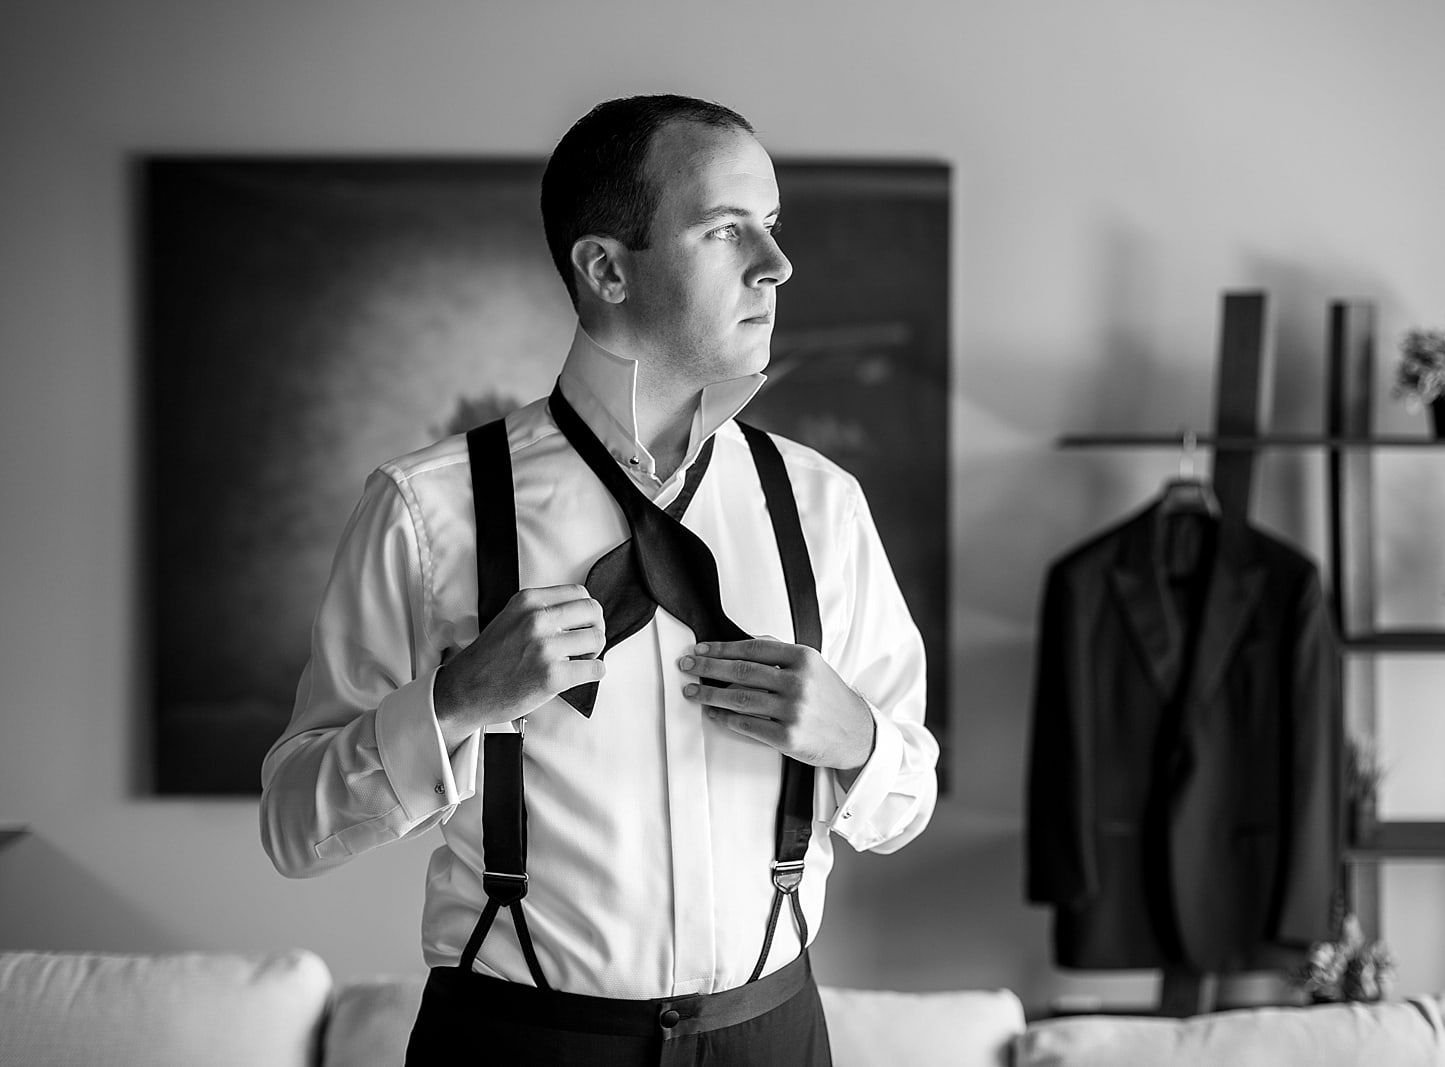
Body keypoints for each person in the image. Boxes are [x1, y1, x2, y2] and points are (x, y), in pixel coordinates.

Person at [259, 94, 939, 1066]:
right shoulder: (427, 509)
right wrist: (451, 702)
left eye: (773, 225)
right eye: (723, 229)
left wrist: (857, 738)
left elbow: (905, 796)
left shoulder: (820, 507)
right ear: (606, 266)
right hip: (518, 1045)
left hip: (773, 1039)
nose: (777, 264)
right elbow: (295, 824)